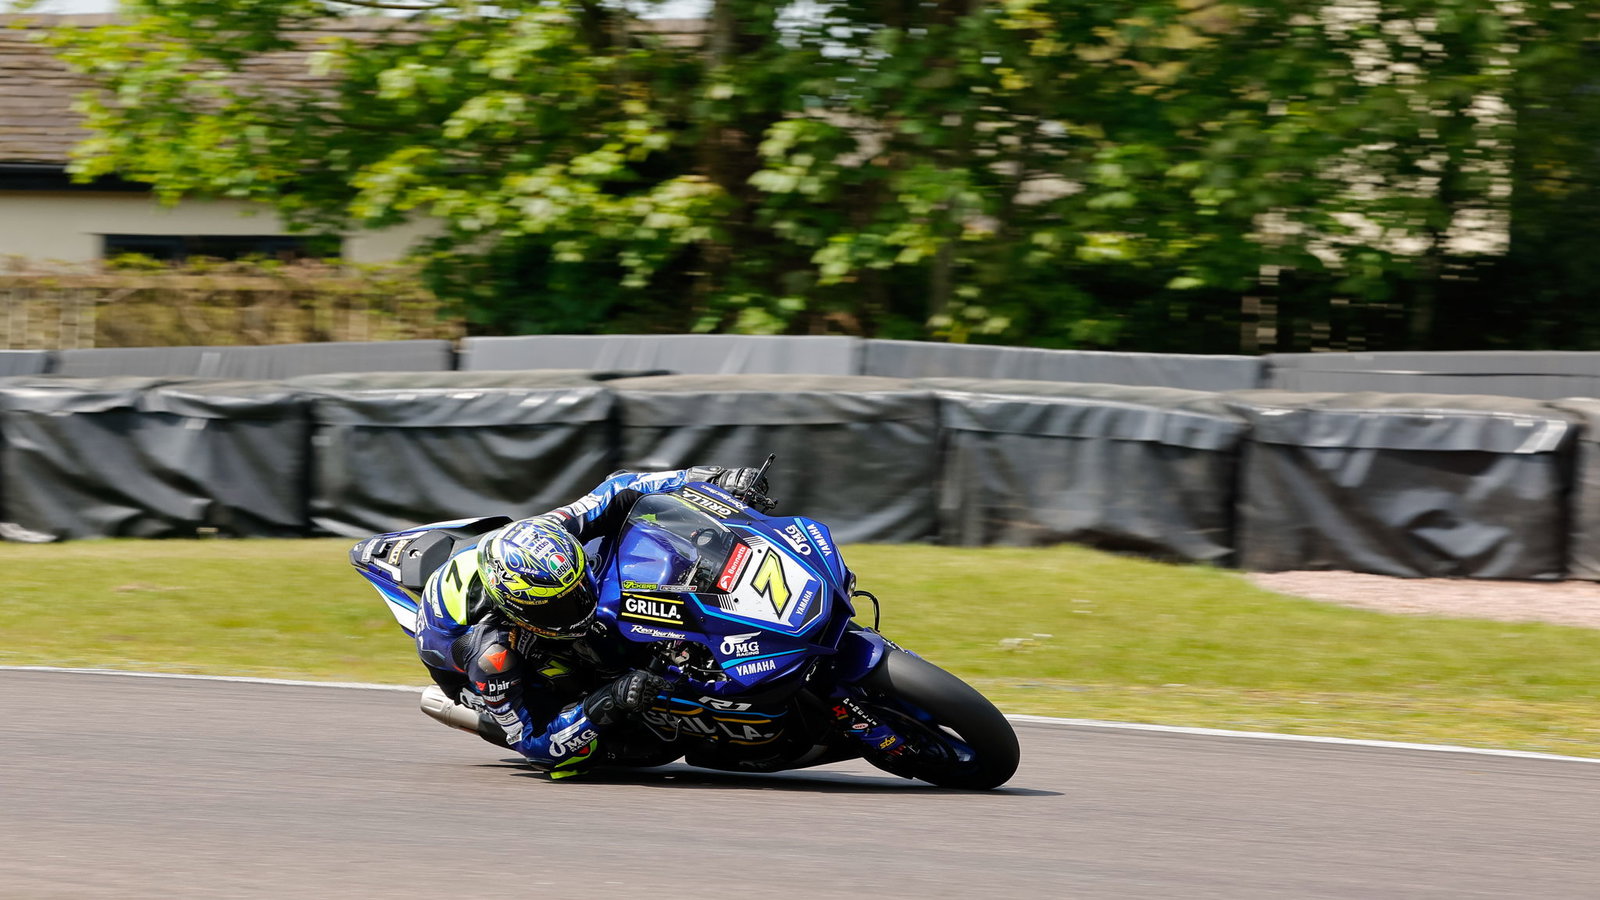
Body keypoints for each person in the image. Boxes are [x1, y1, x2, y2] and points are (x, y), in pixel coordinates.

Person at [400, 465, 772, 779]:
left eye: (577, 591)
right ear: (518, 611)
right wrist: (606, 700)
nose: (577, 607)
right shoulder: (492, 655)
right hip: (477, 673)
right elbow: (535, 743)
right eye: (559, 607)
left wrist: (709, 478)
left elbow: (622, 487)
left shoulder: (554, 531)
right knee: (622, 745)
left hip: (512, 573)